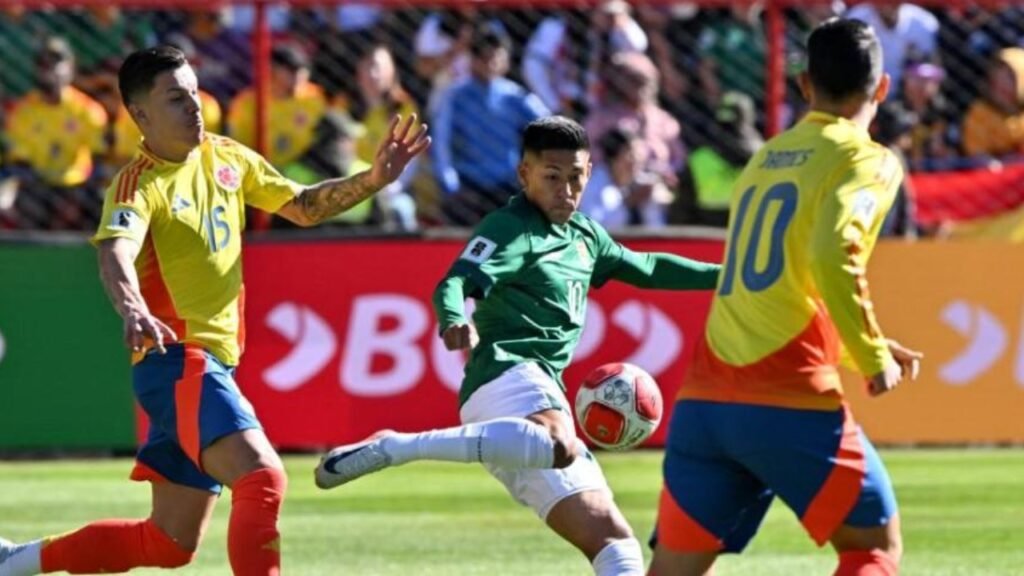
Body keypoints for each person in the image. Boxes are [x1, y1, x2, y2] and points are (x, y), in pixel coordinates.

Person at [0, 45, 428, 576]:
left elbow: (302, 206)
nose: (194, 106)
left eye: (194, 92)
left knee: (167, 543)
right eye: (175, 98)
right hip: (178, 360)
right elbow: (116, 251)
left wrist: (372, 180)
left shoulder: (226, 156)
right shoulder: (138, 183)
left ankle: (14, 561)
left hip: (208, 366)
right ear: (140, 115)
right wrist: (132, 308)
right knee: (262, 476)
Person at [314, 116, 720, 576]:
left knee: (613, 540)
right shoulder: (511, 228)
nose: (565, 190)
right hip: (507, 375)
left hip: (531, 409)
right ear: (525, 174)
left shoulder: (586, 236)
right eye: (552, 177)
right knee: (559, 442)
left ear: (589, 173)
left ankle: (416, 445)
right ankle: (398, 447)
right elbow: (454, 282)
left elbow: (647, 267)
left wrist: (728, 278)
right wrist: (453, 318)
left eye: (576, 177)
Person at [648, 19, 923, 576]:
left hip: (704, 402)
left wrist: (860, 346)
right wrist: (870, 357)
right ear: (883, 87)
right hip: (787, 398)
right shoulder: (867, 160)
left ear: (804, 84)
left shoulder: (766, 158)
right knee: (872, 548)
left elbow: (782, 287)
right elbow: (833, 255)